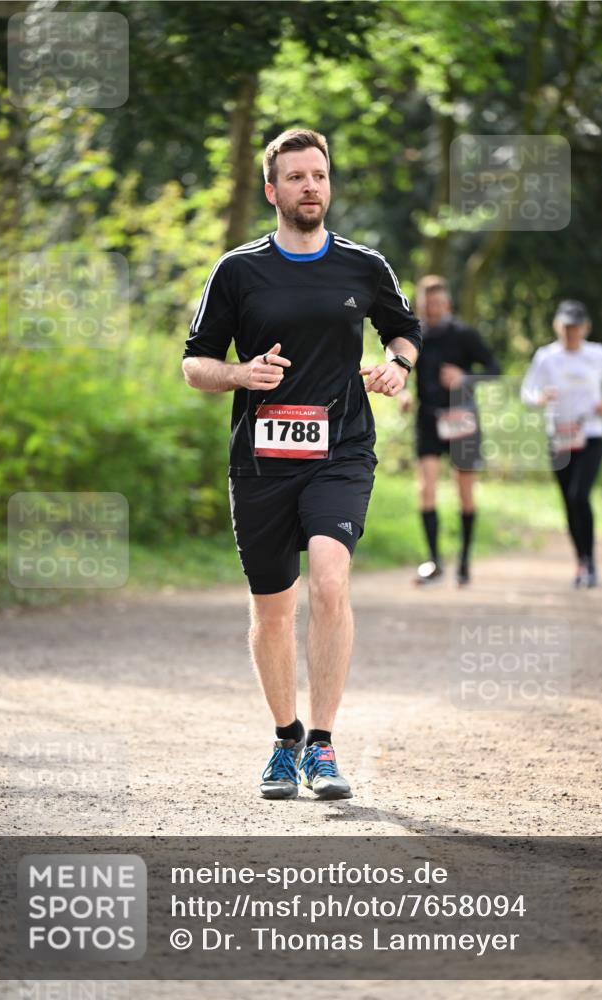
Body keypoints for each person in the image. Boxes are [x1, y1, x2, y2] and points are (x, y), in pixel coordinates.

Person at [182, 128, 422, 801]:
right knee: (272, 607)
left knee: (329, 581)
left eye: (318, 175)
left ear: (329, 184)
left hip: (341, 449)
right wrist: (238, 373)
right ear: (271, 189)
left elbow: (404, 329)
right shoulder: (238, 270)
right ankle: (284, 738)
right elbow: (193, 362)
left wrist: (397, 365)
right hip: (260, 459)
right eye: (295, 177)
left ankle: (322, 743)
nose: (309, 186)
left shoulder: (363, 266)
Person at [400, 275, 500, 586]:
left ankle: (465, 561)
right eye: (426, 305)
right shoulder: (414, 335)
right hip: (428, 419)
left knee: (465, 493)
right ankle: (434, 561)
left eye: (437, 304)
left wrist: (464, 377)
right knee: (425, 489)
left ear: (448, 304)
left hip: (462, 420)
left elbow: (494, 370)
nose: (431, 309)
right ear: (420, 305)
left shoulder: (464, 334)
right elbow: (401, 369)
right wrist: (402, 392)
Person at [521, 300, 602, 587]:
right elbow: (528, 390)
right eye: (566, 327)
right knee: (568, 500)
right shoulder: (546, 357)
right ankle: (581, 561)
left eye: (576, 327)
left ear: (585, 328)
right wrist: (539, 398)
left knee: (580, 495)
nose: (571, 332)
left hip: (590, 434)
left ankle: (590, 560)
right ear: (558, 327)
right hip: (560, 437)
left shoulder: (597, 354)